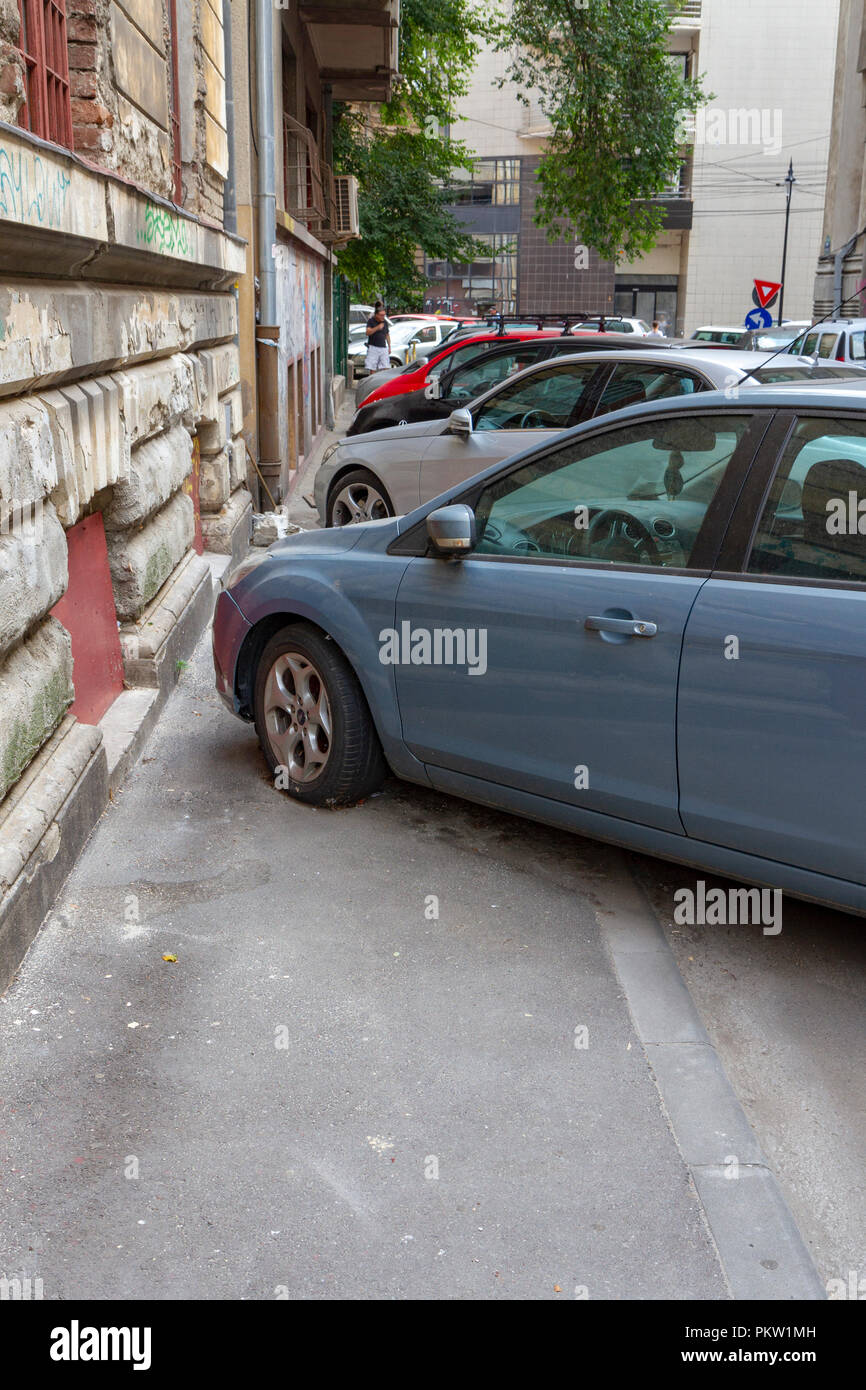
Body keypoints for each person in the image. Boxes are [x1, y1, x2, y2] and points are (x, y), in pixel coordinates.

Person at [365, 302, 391, 373]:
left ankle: (383, 382)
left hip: (383, 347)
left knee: (385, 366)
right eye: (381, 315)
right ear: (376, 315)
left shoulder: (385, 322)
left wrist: (389, 346)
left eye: (384, 315)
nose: (383, 317)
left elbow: (387, 334)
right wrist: (377, 328)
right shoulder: (371, 321)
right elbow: (367, 332)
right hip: (373, 346)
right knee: (372, 366)